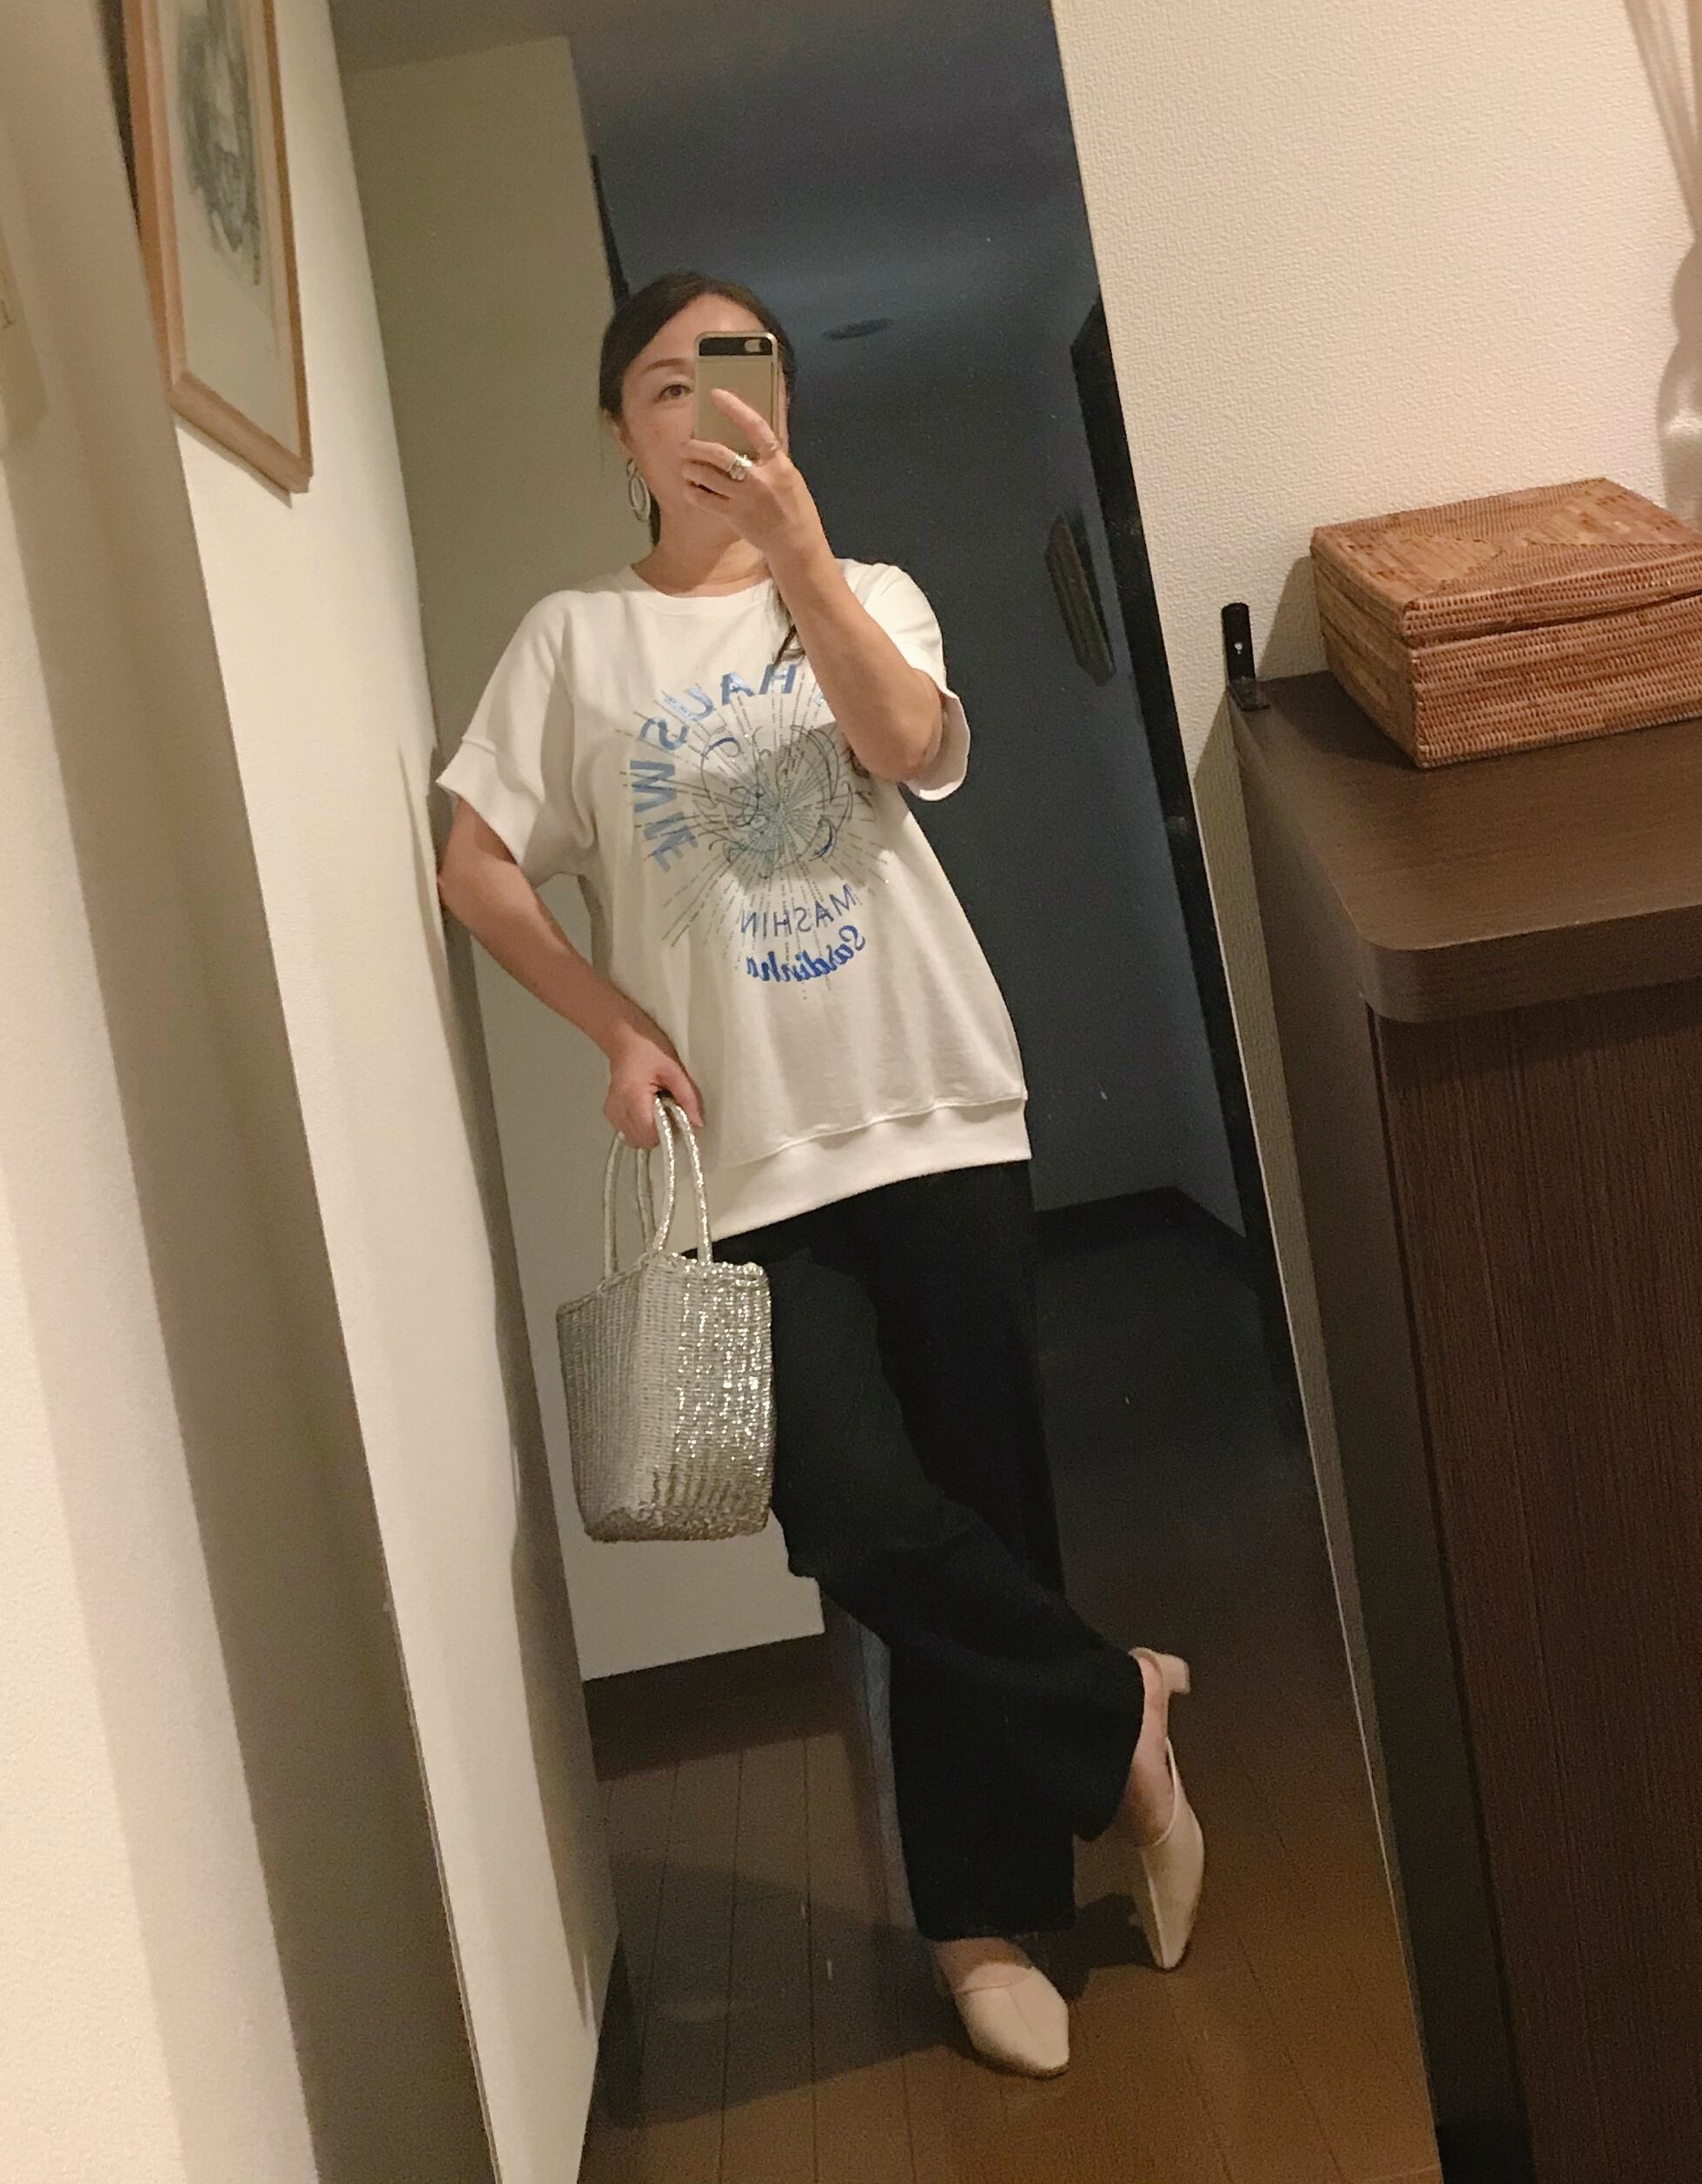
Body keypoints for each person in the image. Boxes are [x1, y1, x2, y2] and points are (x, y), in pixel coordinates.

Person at [436, 268, 1203, 2077]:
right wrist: (616, 1023)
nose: (704, 409)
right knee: (857, 1515)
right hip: (749, 1158)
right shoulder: (572, 641)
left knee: (983, 1503)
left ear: (783, 399)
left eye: (738, 371)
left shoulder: (867, 592)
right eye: (662, 384)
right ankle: (1119, 1712)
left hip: (935, 1104)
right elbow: (474, 862)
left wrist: (797, 559)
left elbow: (910, 747)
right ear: (618, 431)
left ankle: (982, 1922)